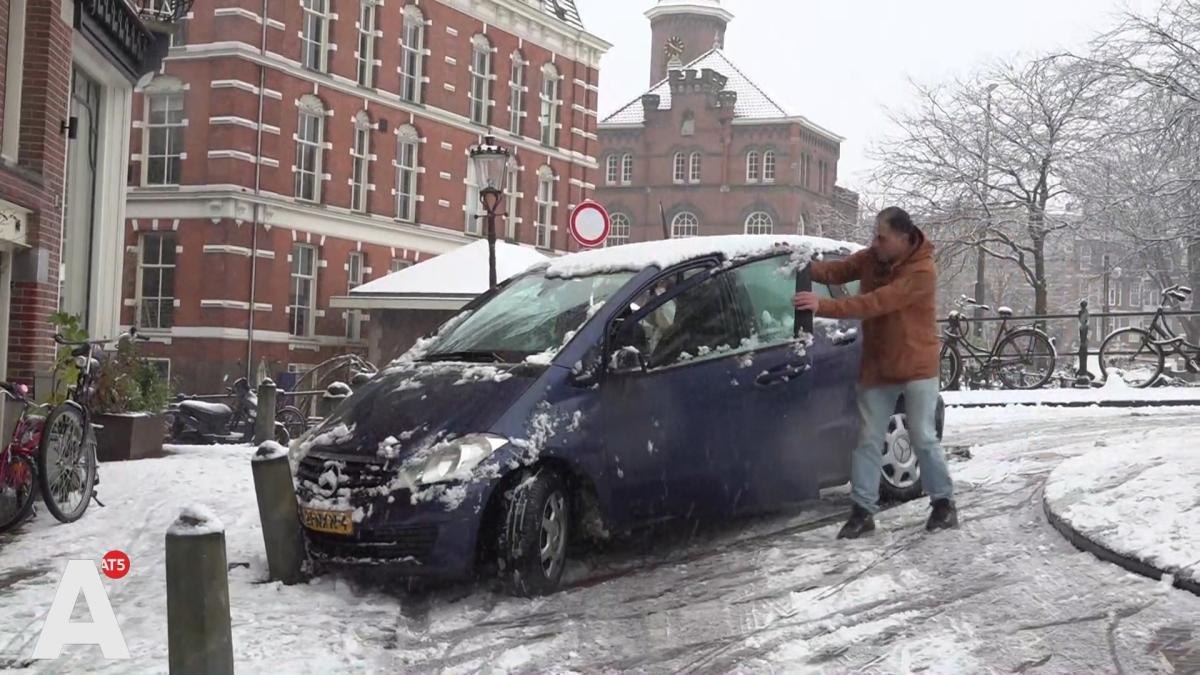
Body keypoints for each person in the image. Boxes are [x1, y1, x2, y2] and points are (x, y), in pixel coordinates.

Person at [793, 206, 957, 539]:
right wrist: (803, 266)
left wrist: (821, 305)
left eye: (881, 237)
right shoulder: (871, 257)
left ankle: (944, 503)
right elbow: (837, 271)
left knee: (923, 437)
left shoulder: (922, 271)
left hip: (916, 366)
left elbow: (876, 302)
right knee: (867, 439)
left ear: (903, 238)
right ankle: (862, 511)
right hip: (879, 365)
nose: (875, 242)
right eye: (875, 236)